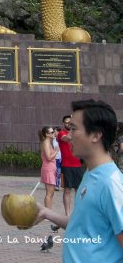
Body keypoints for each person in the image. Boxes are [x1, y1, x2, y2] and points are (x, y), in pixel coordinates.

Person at [33, 99, 123, 262]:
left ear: (96, 135)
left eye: (73, 129)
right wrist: (46, 213)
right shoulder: (91, 172)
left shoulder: (111, 184)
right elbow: (82, 224)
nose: (67, 136)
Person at [57, 112, 84, 215]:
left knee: (79, 190)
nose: (68, 124)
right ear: (63, 123)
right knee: (67, 190)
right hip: (67, 165)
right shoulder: (61, 133)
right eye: (66, 122)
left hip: (78, 165)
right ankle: (67, 214)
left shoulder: (76, 133)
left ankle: (78, 212)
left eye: (70, 122)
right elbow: (67, 138)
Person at [40, 124, 59, 208]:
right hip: (48, 169)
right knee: (49, 193)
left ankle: (48, 212)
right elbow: (48, 157)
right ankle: (47, 213)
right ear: (47, 134)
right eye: (51, 132)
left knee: (51, 193)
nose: (53, 133)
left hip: (50, 168)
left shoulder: (48, 142)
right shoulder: (46, 143)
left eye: (54, 131)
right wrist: (56, 151)